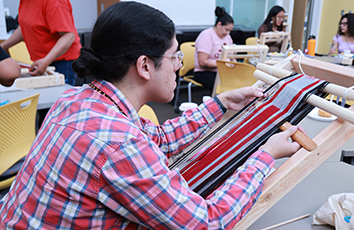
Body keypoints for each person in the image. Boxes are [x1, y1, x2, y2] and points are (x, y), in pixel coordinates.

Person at [0, 2, 302, 229]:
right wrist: (264, 156)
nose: (177, 66)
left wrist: (220, 103)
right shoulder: (119, 144)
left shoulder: (79, 98)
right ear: (145, 66)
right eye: (174, 57)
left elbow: (158, 138)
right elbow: (207, 223)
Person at [0, 0, 82, 86]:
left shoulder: (54, 2)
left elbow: (69, 36)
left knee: (59, 97)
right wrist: (1, 48)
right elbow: (26, 26)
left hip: (62, 62)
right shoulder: (25, 1)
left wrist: (46, 60)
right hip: (41, 61)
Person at [194, 6, 234, 91]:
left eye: (230, 31)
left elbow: (232, 57)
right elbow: (203, 62)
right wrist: (223, 65)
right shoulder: (206, 36)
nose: (228, 33)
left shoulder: (228, 37)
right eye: (226, 30)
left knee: (239, 82)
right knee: (225, 88)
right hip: (204, 72)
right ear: (219, 24)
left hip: (223, 71)